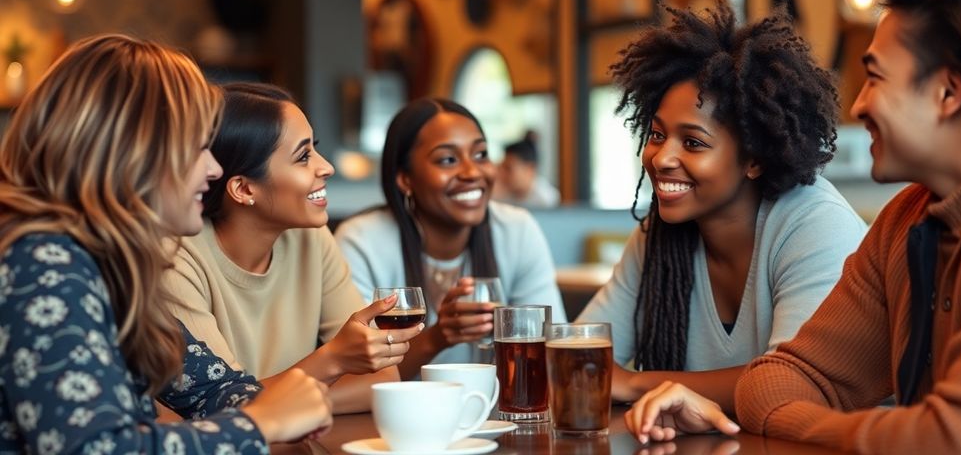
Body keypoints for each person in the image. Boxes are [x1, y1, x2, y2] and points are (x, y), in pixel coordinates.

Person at [639, 0, 961, 453]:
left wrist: (826, 428)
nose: (859, 104)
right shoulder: (902, 222)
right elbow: (773, 382)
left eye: (876, 78)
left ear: (947, 93)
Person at [0, 34, 331, 452]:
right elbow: (96, 448)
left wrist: (276, 408)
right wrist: (261, 423)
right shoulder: (42, 262)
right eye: (197, 148)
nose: (214, 169)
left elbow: (207, 389)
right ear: (134, 155)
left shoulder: (105, 262)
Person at [576, 0, 866, 417]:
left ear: (754, 159)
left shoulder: (814, 226)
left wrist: (636, 381)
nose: (660, 158)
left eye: (692, 143)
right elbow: (588, 354)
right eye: (657, 135)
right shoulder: (660, 236)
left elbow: (795, 384)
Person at [163, 83, 419, 414]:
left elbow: (381, 380)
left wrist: (285, 402)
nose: (326, 166)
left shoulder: (310, 238)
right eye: (303, 156)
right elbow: (214, 406)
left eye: (315, 148)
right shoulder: (176, 262)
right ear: (243, 188)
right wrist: (331, 361)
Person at [335, 98, 566, 379]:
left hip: (495, 417)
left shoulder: (517, 230)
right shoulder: (363, 242)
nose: (472, 172)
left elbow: (553, 351)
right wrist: (436, 338)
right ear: (405, 178)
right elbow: (357, 376)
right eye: (448, 159)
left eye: (481, 154)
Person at [493, 131, 560, 208]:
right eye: (501, 167)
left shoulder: (547, 200)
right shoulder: (501, 195)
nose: (501, 173)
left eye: (508, 168)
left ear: (530, 169)